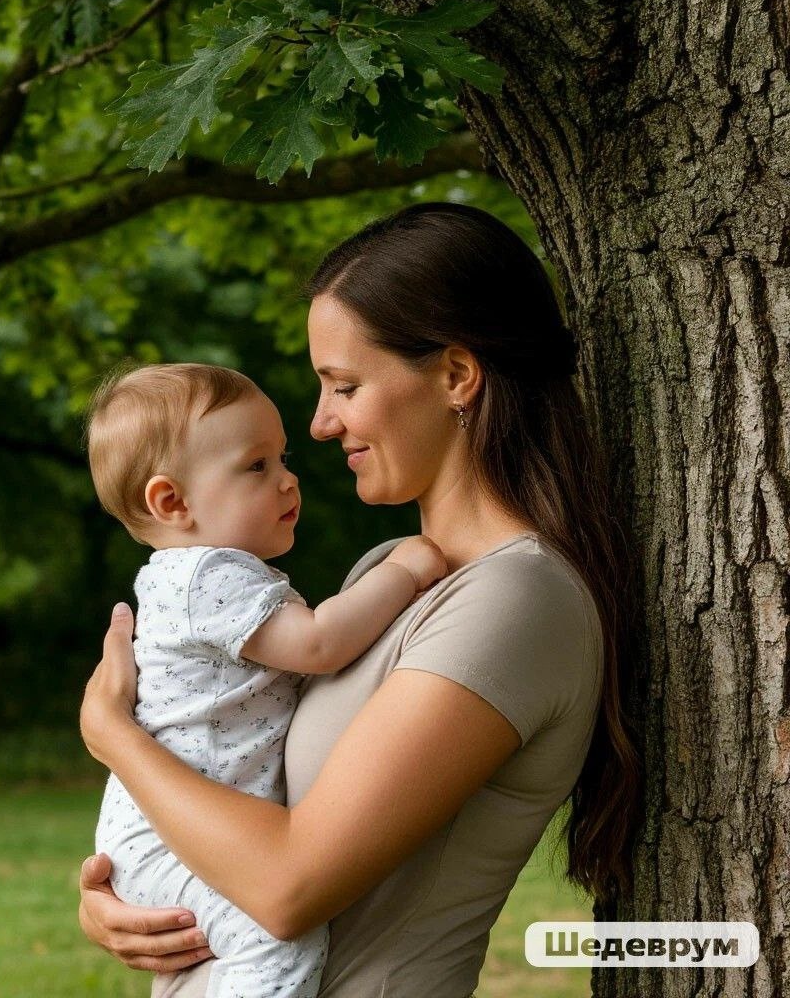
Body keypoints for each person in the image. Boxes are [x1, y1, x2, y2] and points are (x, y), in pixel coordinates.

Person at [77, 202, 641, 998]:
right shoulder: (392, 573)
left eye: (344, 385)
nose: (318, 423)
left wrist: (113, 737)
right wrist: (132, 887)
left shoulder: (516, 600)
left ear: (455, 375)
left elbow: (286, 885)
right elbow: (242, 787)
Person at [83, 362, 448, 997]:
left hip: (170, 832)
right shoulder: (206, 577)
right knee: (275, 940)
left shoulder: (195, 576)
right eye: (257, 467)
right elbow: (320, 643)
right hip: (169, 841)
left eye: (282, 458)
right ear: (172, 502)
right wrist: (405, 570)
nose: (288, 479)